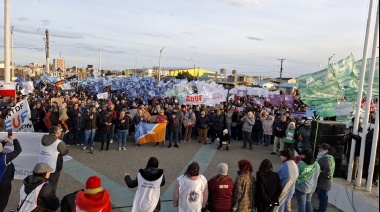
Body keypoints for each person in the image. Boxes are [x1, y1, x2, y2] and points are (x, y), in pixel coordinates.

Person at [38, 126, 69, 192]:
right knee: (52, 187)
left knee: (40, 185)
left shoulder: (42, 139)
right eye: (60, 132)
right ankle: (50, 200)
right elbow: (65, 151)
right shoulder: (58, 142)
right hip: (53, 168)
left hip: (41, 166)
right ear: (57, 134)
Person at [0, 134, 22, 212]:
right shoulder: (5, 158)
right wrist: (14, 139)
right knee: (3, 200)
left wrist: (4, 142)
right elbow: (18, 150)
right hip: (4, 182)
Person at [315, 143, 335, 212]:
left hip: (324, 181)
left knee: (322, 197)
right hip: (325, 180)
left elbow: (328, 167)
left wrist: (325, 174)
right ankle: (321, 209)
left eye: (321, 149)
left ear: (325, 150)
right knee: (323, 196)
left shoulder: (326, 158)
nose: (319, 150)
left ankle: (321, 210)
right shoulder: (329, 157)